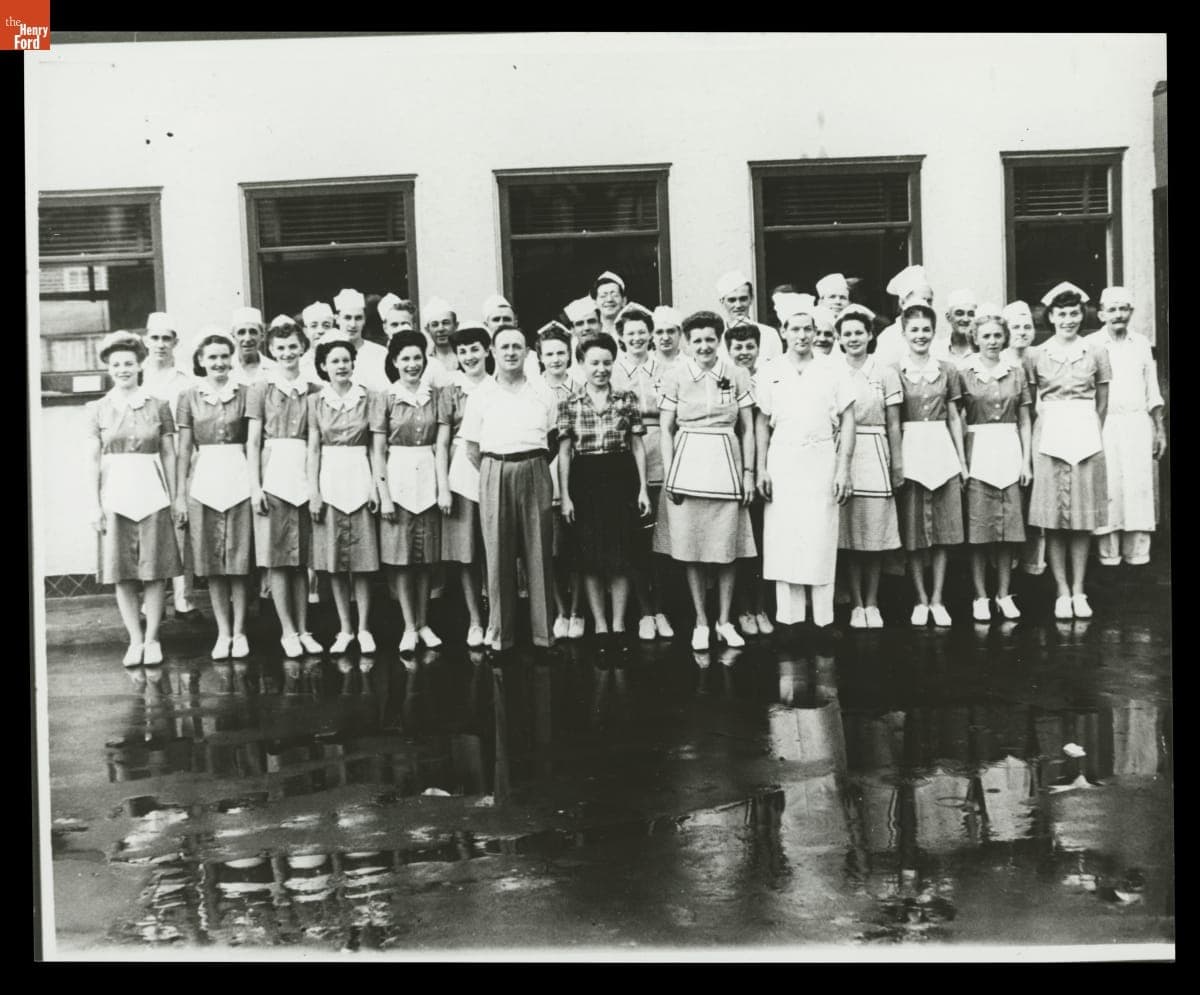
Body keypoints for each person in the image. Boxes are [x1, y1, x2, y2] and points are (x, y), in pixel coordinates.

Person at [653, 310, 757, 651]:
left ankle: (725, 621)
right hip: (688, 465)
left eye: (710, 339)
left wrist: (749, 473)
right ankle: (701, 620)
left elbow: (749, 428)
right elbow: (666, 429)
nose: (704, 346)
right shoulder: (675, 376)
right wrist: (671, 475)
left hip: (727, 465)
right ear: (687, 342)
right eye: (697, 340)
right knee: (693, 548)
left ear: (719, 340)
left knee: (726, 547)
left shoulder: (737, 374)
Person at [756, 299, 855, 630]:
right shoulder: (770, 370)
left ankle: (823, 620)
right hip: (782, 460)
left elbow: (848, 418)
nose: (801, 335)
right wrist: (761, 468)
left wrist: (843, 468)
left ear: (815, 333)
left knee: (819, 537)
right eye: (794, 329)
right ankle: (790, 620)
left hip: (821, 460)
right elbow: (761, 422)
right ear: (783, 332)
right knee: (786, 539)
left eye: (807, 329)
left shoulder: (832, 368)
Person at [87, 331, 183, 667]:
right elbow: (93, 459)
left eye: (129, 363)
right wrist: (94, 504)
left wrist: (176, 498)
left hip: (152, 494)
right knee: (123, 573)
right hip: (115, 495)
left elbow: (170, 454)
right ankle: (135, 640)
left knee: (155, 571)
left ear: (139, 365)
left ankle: (154, 638)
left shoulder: (158, 405)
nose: (123, 369)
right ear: (108, 368)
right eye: (116, 364)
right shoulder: (97, 408)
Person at [461, 325, 559, 653]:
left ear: (528, 352)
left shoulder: (543, 391)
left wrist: (530, 465)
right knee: (498, 554)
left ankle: (544, 635)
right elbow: (472, 448)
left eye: (517, 346)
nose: (511, 352)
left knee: (539, 552)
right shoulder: (481, 395)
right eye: (504, 347)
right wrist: (497, 471)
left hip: (534, 468)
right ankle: (501, 637)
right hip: (494, 470)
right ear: (492, 350)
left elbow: (554, 438)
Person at [557, 333, 652, 643]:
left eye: (607, 362)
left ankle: (619, 624)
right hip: (584, 479)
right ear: (581, 364)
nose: (601, 369)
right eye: (594, 362)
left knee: (621, 556)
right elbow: (565, 453)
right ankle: (599, 625)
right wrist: (566, 497)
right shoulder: (569, 402)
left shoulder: (627, 398)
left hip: (620, 476)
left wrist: (642, 489)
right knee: (590, 558)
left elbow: (637, 445)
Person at [1026, 283, 1110, 619]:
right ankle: (1061, 590)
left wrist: (1089, 431)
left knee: (1081, 520)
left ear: (1082, 315)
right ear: (1051, 316)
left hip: (1086, 435)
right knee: (1055, 521)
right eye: (1061, 314)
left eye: (1074, 313)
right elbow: (1031, 404)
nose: (1069, 320)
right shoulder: (1037, 354)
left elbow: (1103, 401)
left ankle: (1079, 590)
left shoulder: (1096, 351)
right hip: (1051, 435)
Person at [246, 316, 324, 657]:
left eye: (293, 346)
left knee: (302, 559)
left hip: (304, 473)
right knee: (278, 559)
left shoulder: (315, 389)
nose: (287, 353)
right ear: (271, 351)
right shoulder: (261, 389)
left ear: (303, 348)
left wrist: (315, 486)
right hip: (273, 472)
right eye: (280, 348)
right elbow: (252, 442)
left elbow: (318, 441)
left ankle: (305, 628)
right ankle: (288, 631)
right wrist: (255, 486)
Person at [174, 332, 254, 659]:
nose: (219, 363)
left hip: (239, 477)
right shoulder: (188, 396)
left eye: (224, 356)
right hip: (204, 481)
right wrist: (180, 495)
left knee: (238, 561)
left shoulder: (246, 394)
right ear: (202, 361)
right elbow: (182, 451)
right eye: (212, 357)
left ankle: (241, 631)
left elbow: (254, 443)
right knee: (213, 564)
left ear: (231, 358)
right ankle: (223, 632)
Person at [894, 303, 968, 626]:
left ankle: (938, 598)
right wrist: (897, 463)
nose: (921, 335)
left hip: (941, 449)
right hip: (911, 449)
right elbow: (893, 422)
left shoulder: (948, 369)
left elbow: (953, 416)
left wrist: (962, 461)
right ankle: (919, 598)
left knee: (942, 531)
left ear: (933, 332)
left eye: (926, 329)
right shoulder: (895, 370)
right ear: (904, 333)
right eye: (914, 330)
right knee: (914, 532)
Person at [307, 338, 382, 652]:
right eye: (334, 361)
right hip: (330, 480)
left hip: (360, 475)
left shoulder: (369, 398)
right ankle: (345, 629)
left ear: (354, 363)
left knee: (363, 562)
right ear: (323, 366)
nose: (341, 366)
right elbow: (312, 449)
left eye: (346, 360)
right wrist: (314, 491)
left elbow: (377, 448)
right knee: (335, 563)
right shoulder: (315, 401)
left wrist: (376, 486)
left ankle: (364, 628)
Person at [1085, 287, 1167, 568]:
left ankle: (1138, 556)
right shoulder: (1091, 344)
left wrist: (1159, 428)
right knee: (1108, 485)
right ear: (1101, 314)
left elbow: (1152, 390)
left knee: (1137, 486)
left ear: (1131, 312)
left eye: (1124, 309)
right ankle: (1108, 556)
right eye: (1112, 309)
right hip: (1105, 423)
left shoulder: (1141, 343)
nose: (1118, 315)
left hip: (1136, 423)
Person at [958, 316, 1033, 621]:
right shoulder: (964, 373)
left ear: (1005, 339)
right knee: (980, 530)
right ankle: (980, 596)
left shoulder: (1016, 373)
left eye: (997, 336)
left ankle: (1004, 594)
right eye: (986, 336)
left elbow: (1026, 419)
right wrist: (963, 462)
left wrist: (1026, 461)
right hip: (978, 450)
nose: (992, 341)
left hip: (1010, 449)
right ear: (976, 338)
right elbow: (956, 418)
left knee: (1008, 530)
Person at [375, 331, 444, 652]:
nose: (412, 364)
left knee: (426, 558)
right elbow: (377, 452)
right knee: (402, 559)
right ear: (394, 362)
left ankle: (424, 622)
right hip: (398, 478)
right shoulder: (385, 398)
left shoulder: (436, 395)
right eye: (405, 358)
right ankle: (408, 626)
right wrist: (385, 495)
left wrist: (442, 488)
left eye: (417, 358)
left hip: (428, 478)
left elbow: (442, 445)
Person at [835, 304, 903, 628]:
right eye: (846, 333)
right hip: (843, 453)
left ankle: (873, 602)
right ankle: (856, 602)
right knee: (849, 533)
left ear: (870, 335)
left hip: (876, 453)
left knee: (874, 533)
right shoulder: (833, 372)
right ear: (838, 338)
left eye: (858, 332)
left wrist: (897, 463)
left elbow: (893, 423)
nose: (853, 338)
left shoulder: (885, 372)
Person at [611, 303, 674, 640]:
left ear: (651, 335)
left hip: (660, 452)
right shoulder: (614, 371)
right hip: (627, 455)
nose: (636, 337)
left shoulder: (667, 368)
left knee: (661, 539)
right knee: (635, 539)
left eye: (641, 331)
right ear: (620, 337)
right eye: (629, 332)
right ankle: (644, 612)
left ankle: (661, 609)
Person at [435, 323, 493, 648]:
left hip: (495, 467)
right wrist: (443, 486)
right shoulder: (451, 391)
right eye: (463, 351)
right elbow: (442, 443)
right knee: (467, 553)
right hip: (461, 473)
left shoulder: (498, 386)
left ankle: (497, 615)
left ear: (487, 351)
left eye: (474, 349)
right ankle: (474, 620)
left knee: (494, 550)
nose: (469, 356)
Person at [140, 311, 196, 618]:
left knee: (179, 524)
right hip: (147, 461)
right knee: (149, 528)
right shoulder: (137, 375)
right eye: (155, 338)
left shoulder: (186, 380)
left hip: (179, 458)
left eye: (166, 338)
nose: (160, 344)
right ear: (145, 340)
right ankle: (151, 601)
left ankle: (183, 598)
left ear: (176, 342)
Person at [723, 320, 773, 636]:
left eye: (749, 347)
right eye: (738, 347)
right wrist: (746, 472)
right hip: (737, 468)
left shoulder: (766, 379)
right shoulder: (727, 381)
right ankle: (744, 609)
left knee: (766, 542)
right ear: (729, 350)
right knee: (743, 543)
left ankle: (762, 607)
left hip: (767, 467)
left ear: (758, 349)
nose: (744, 352)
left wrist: (760, 470)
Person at [536, 323, 585, 639]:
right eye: (549, 354)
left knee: (578, 548)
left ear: (569, 355)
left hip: (579, 472)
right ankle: (560, 610)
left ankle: (578, 611)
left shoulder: (580, 385)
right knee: (551, 550)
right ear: (539, 357)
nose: (555, 359)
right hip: (545, 473)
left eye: (561, 353)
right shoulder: (533, 387)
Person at [1000, 300, 1045, 576]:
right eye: (1015, 326)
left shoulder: (1038, 357)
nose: (1022, 331)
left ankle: (1034, 564)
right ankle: (1009, 563)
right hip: (1008, 436)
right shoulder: (1001, 359)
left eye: (1027, 326)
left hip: (1036, 432)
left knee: (1035, 501)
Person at [874, 265, 935, 368]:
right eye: (922, 300)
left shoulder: (933, 336)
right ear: (902, 303)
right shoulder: (888, 338)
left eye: (929, 301)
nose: (926, 305)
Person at [715, 270, 783, 362]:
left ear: (751, 299)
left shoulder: (769, 335)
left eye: (743, 299)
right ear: (722, 302)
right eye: (732, 300)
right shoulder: (715, 338)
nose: (738, 305)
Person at [333, 288, 390, 392]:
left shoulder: (380, 353)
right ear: (337, 319)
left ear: (364, 320)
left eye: (358, 318)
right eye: (347, 318)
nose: (353, 324)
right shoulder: (329, 354)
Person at [229, 306, 274, 386]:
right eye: (241, 332)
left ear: (262, 336)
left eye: (253, 332)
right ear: (233, 337)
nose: (247, 338)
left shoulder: (274, 369)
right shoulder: (226, 369)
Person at [422, 297, 460, 386]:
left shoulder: (465, 356)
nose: (440, 329)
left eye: (445, 323)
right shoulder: (424, 360)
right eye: (435, 325)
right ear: (427, 329)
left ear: (456, 325)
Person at [935, 289, 978, 364]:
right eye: (959, 313)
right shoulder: (937, 350)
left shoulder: (982, 350)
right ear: (948, 317)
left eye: (971, 314)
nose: (965, 319)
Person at [299, 302, 335, 384]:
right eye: (314, 326)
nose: (320, 331)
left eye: (326, 326)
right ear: (306, 331)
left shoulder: (345, 360)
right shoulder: (300, 366)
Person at [592, 271, 626, 336]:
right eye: (603, 296)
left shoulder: (633, 328)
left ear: (624, 300)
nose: (609, 299)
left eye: (615, 295)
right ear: (595, 303)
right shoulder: (590, 331)